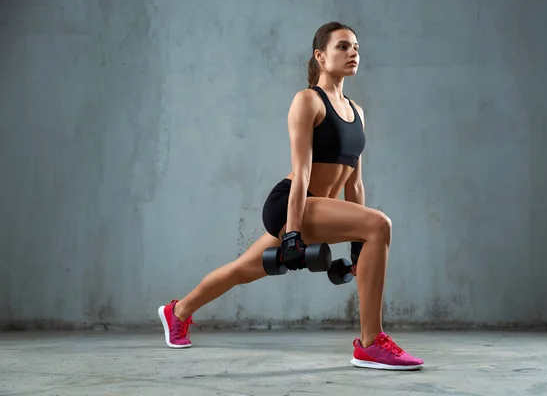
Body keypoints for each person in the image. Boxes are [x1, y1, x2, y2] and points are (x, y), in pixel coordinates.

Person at [157, 21, 424, 371]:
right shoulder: (307, 101)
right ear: (320, 55)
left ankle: (177, 312)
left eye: (356, 47)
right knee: (380, 224)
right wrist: (293, 233)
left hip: (317, 210)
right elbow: (301, 173)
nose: (352, 52)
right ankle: (371, 344)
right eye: (342, 46)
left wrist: (358, 247)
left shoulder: (358, 112)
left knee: (242, 270)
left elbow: (354, 185)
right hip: (290, 204)